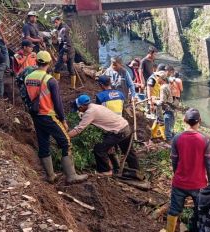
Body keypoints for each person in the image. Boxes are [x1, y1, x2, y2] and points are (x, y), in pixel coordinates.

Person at [24, 51, 87, 184]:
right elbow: (58, 103)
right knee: (66, 142)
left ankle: (51, 175)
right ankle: (71, 176)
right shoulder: (50, 80)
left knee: (43, 144)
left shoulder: (28, 78)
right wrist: (63, 119)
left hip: (36, 116)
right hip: (48, 115)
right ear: (48, 63)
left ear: (36, 62)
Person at [160, 108, 210, 232]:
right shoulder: (206, 140)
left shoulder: (177, 138)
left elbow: (174, 160)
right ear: (200, 121)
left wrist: (178, 173)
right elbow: (209, 163)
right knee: (200, 211)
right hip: (199, 183)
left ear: (184, 121)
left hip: (180, 182)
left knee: (174, 209)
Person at [70, 95, 142, 180]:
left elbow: (79, 129)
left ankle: (106, 171)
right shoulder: (96, 106)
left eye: (78, 109)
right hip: (125, 126)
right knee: (127, 151)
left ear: (81, 106)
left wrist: (65, 137)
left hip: (119, 131)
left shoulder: (90, 112)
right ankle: (135, 171)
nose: (78, 111)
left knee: (99, 149)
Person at [53, 16, 76, 88]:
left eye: (56, 22)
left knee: (57, 67)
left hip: (66, 50)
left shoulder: (63, 29)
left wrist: (65, 54)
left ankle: (54, 85)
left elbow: (67, 42)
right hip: (70, 50)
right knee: (70, 68)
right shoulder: (61, 28)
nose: (55, 24)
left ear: (60, 21)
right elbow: (61, 40)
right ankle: (73, 86)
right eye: (54, 23)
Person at [157, 71, 179, 141]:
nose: (156, 79)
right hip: (170, 110)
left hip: (168, 111)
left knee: (168, 134)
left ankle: (171, 147)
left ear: (161, 79)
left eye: (157, 77)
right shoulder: (166, 85)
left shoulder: (163, 87)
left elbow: (163, 101)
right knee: (170, 130)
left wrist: (155, 101)